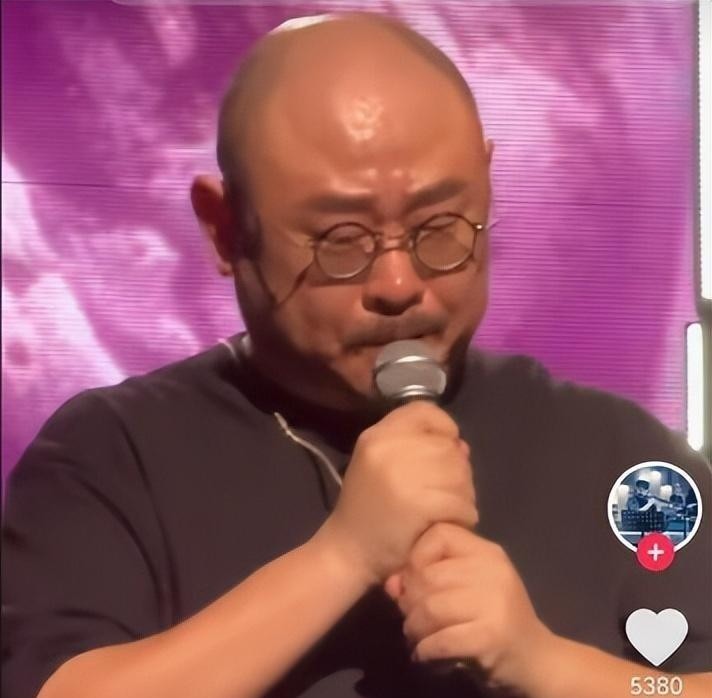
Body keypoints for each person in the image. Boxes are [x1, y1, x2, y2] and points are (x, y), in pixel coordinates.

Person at [2, 11, 711, 698]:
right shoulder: (115, 455)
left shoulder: (620, 456)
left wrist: (549, 666)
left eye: (439, 227)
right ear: (225, 230)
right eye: (342, 243)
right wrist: (342, 557)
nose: (398, 284)